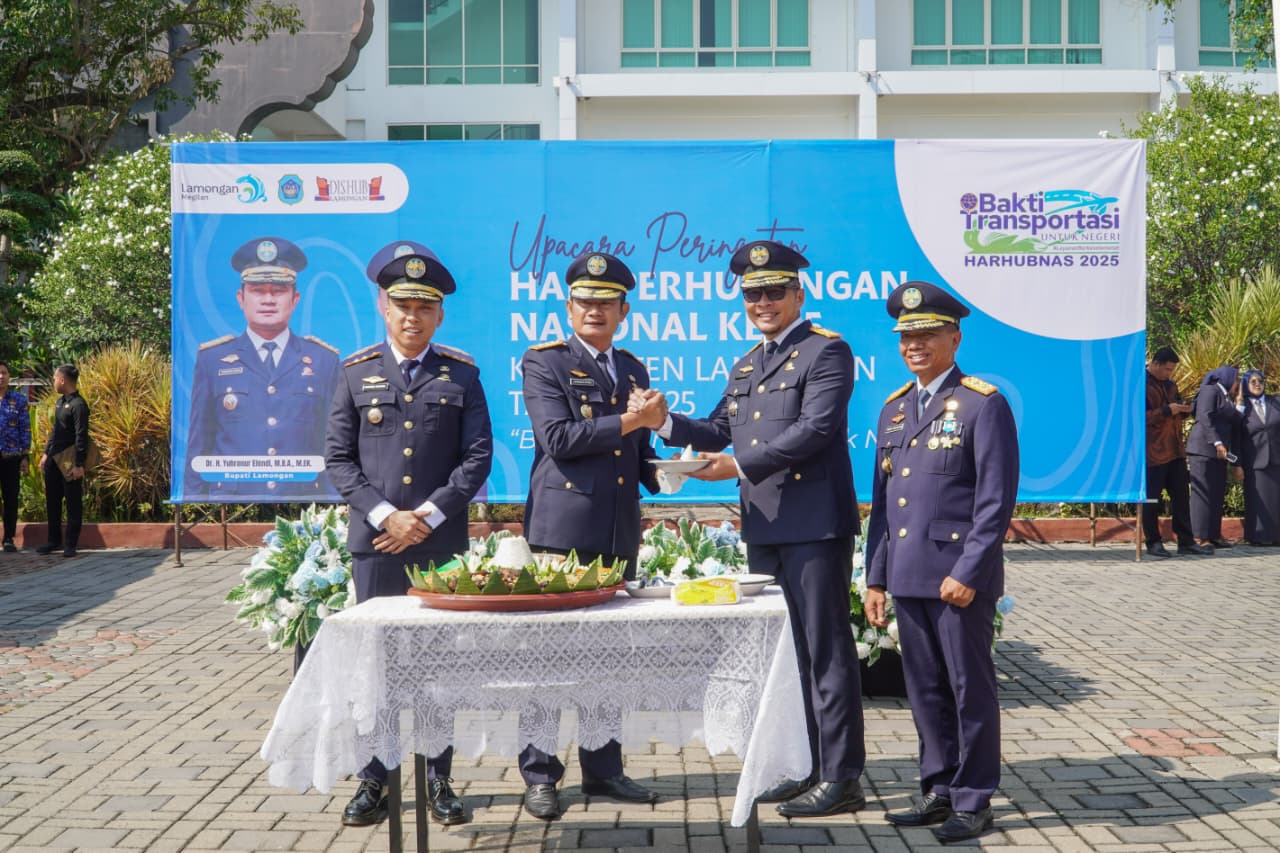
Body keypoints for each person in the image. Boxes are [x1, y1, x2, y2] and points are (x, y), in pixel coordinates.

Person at [634, 240, 866, 819]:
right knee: (785, 656)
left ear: (798, 294)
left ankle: (842, 774)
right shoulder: (748, 364)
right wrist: (664, 422)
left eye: (773, 292)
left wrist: (736, 465)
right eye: (752, 295)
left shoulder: (827, 353)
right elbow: (717, 428)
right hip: (764, 526)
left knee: (826, 651)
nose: (762, 302)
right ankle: (803, 765)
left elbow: (814, 431)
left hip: (814, 527)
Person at [325, 247, 493, 829]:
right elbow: (339, 461)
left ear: (439, 315)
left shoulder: (462, 375)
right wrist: (383, 517)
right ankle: (374, 780)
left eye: (425, 306)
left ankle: (438, 778)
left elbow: (476, 460)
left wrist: (422, 516)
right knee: (372, 665)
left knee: (436, 667)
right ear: (382, 306)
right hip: (376, 546)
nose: (412, 316)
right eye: (402, 304)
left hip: (436, 546)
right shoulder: (354, 372)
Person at [863, 281, 1019, 844]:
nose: (915, 344)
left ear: (954, 336)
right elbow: (882, 506)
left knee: (968, 688)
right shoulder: (896, 409)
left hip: (958, 579)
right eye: (907, 335)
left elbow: (995, 503)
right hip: (907, 575)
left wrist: (969, 573)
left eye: (927, 334)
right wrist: (875, 576)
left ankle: (974, 798)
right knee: (924, 688)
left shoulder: (982, 405)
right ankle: (938, 787)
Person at [517, 251, 666, 820]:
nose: (594, 309)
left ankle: (604, 769)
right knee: (548, 658)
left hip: (616, 530)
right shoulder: (545, 363)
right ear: (568, 306)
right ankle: (539, 774)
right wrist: (635, 421)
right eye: (585, 300)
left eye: (606, 302)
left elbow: (638, 454)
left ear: (624, 310)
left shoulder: (632, 370)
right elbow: (559, 438)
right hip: (563, 530)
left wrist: (675, 467)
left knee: (608, 658)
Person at [184, 237, 339, 499]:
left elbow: (334, 444)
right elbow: (200, 441)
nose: (268, 299)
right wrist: (193, 505)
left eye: (278, 291)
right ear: (241, 298)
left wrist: (336, 508)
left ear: (295, 299)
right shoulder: (213, 360)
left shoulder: (324, 361)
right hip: (230, 506)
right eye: (257, 290)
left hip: (303, 504)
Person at [1142, 348, 1211, 558]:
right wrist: (1165, 411)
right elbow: (1137, 417)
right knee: (1152, 500)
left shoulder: (1172, 385)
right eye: (1167, 369)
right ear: (1156, 364)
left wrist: (1183, 410)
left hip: (1175, 450)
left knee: (1181, 497)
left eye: (1172, 370)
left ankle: (1186, 541)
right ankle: (1153, 541)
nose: (1169, 374)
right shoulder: (1140, 384)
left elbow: (1176, 407)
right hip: (1152, 452)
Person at [37, 365, 90, 558]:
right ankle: (53, 540)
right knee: (53, 500)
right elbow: (55, 431)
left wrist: (79, 465)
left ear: (62, 380)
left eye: (54, 379)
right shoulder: (60, 403)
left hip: (69, 460)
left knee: (73, 501)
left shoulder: (79, 405)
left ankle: (70, 544)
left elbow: (81, 436)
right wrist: (45, 454)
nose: (53, 382)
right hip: (54, 458)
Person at [1187, 366, 1243, 549]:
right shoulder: (1210, 390)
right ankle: (1198, 536)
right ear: (1228, 378)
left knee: (1217, 493)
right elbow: (1204, 416)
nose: (1238, 384)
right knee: (1202, 493)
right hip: (1204, 448)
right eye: (1237, 380)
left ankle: (1212, 535)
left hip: (1220, 453)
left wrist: (1239, 402)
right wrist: (1217, 442)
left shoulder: (1227, 397)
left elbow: (1236, 421)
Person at [1237, 369, 1280, 546]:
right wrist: (1237, 463)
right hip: (1254, 461)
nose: (1257, 384)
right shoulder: (1242, 406)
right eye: (1253, 381)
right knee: (1258, 499)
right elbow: (1236, 436)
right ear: (1246, 384)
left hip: (1276, 458)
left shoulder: (1275, 401)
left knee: (1276, 499)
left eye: (1260, 381)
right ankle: (1258, 536)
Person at [0, 362, 31, 552]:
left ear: (9, 376)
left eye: (4, 373)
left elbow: (25, 429)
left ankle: (9, 538)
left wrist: (25, 456)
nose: (1, 377)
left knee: (11, 498)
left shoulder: (19, 401)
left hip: (11, 457)